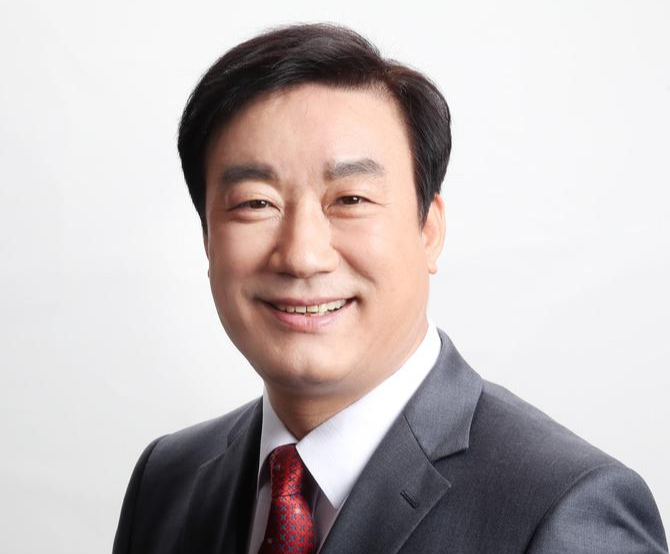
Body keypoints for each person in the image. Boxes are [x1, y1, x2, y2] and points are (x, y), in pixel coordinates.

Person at [112, 23, 668, 554]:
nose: (302, 255)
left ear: (429, 230)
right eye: (256, 203)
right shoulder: (167, 480)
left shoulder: (568, 510)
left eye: (350, 200)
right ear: (208, 239)